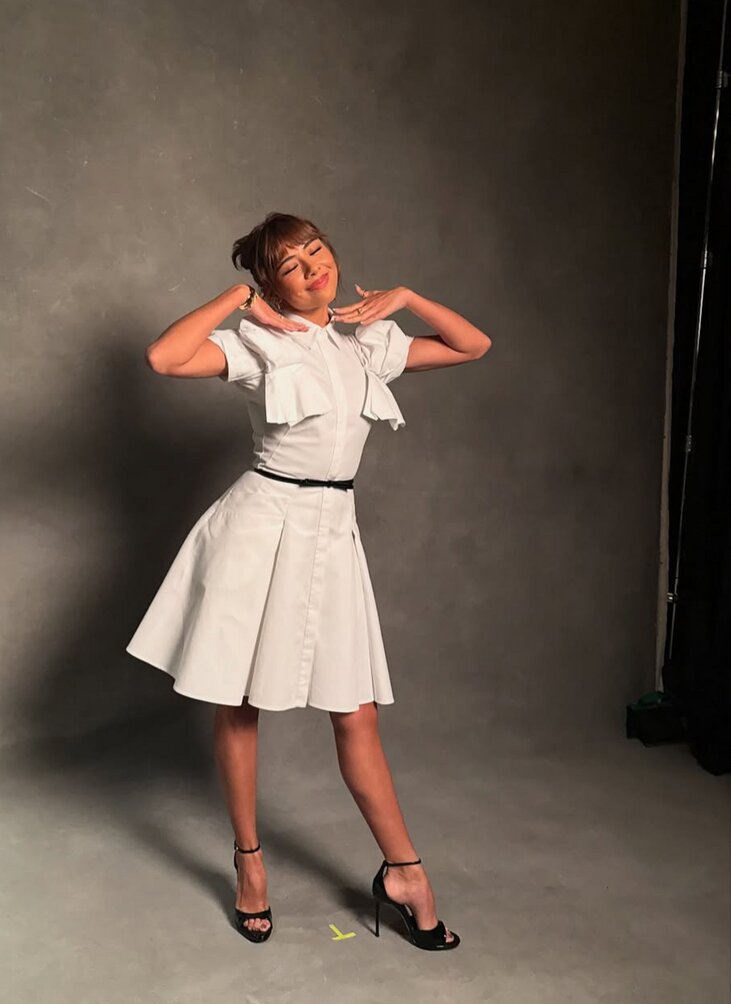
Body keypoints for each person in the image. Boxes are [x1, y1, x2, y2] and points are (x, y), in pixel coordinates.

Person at [127, 212, 491, 948]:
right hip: (261, 529)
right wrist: (238, 301)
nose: (312, 269)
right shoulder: (254, 343)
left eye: (316, 252)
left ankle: (404, 872)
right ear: (270, 284)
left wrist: (405, 298)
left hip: (332, 535)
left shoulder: (367, 344)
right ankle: (249, 862)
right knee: (239, 703)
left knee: (356, 713)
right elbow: (164, 358)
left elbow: (471, 345)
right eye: (290, 266)